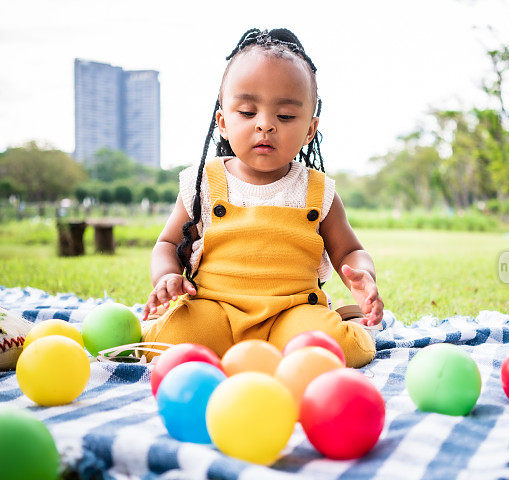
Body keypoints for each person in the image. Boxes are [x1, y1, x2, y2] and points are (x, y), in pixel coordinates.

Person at [141, 28, 383, 368]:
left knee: (337, 352)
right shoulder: (205, 183)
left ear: (310, 129)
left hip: (292, 313)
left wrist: (363, 275)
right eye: (247, 112)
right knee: (168, 346)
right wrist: (167, 275)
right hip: (215, 308)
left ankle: (352, 322)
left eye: (284, 116)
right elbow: (166, 244)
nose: (266, 125)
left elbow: (350, 250)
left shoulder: (316, 190)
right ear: (223, 122)